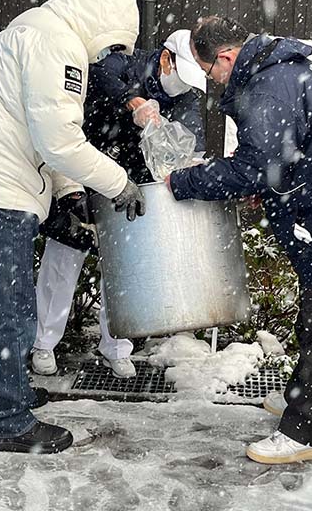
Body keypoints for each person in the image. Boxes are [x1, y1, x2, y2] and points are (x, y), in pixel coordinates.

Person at [167, 16, 312, 465]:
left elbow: (252, 165)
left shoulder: (270, 84)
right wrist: (270, 187)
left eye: (211, 71)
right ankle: (300, 399)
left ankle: (307, 431)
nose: (214, 82)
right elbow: (287, 152)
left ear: (228, 57)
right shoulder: (286, 70)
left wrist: (183, 181)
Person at [0, 0, 145, 454]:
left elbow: (41, 132)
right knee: (9, 308)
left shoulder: (32, 29)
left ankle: (3, 395)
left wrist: (69, 193)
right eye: (112, 45)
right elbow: (60, 140)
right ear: (103, 22)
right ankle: (9, 420)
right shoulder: (60, 45)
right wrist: (119, 184)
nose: (104, 57)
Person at [31, 29, 207, 378]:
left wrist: (187, 159)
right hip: (88, 168)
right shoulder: (124, 63)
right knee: (66, 253)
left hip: (136, 184)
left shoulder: (185, 97)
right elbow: (96, 73)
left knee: (126, 264)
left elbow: (191, 139)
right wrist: (133, 101)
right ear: (165, 59)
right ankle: (43, 342)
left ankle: (117, 345)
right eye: (181, 76)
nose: (183, 87)